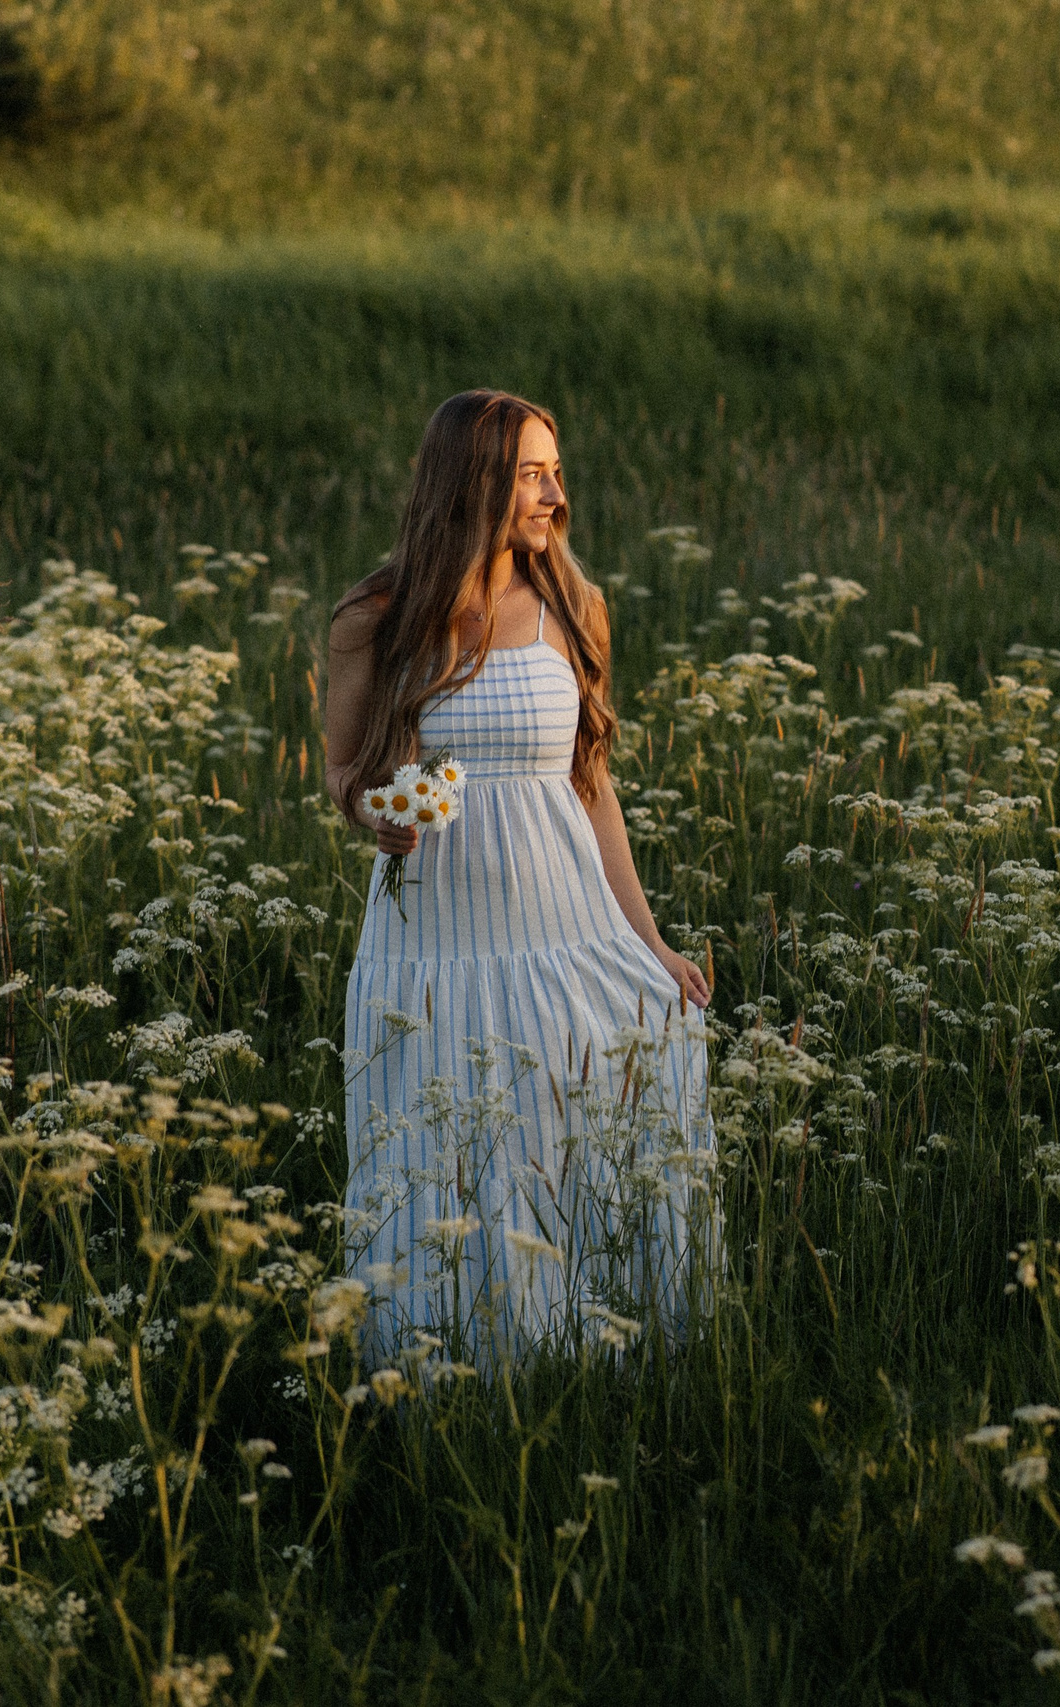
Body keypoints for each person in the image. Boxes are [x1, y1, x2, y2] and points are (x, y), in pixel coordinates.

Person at [323, 389, 713, 1359]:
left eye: (556, 471)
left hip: (560, 923)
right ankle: (449, 1368)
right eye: (532, 474)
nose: (554, 495)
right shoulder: (379, 616)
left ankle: (589, 1358)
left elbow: (593, 786)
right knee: (447, 1147)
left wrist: (649, 942)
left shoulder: (573, 607)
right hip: (435, 942)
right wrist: (376, 813)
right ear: (475, 483)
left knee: (577, 1113)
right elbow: (342, 771)